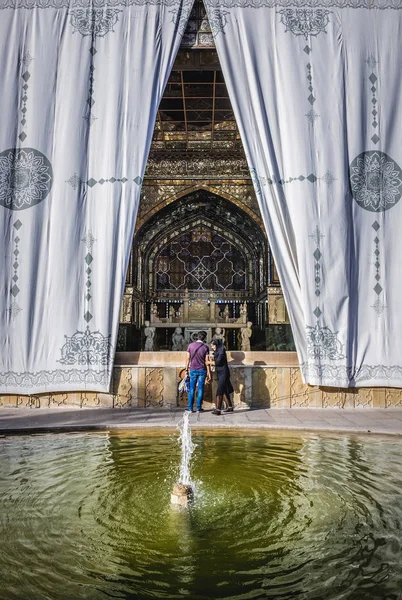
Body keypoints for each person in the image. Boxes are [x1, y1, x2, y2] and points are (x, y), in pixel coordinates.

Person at [185, 331, 211, 413]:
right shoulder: (205, 347)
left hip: (193, 369)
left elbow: (188, 358)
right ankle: (198, 408)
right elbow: (207, 361)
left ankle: (190, 408)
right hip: (202, 370)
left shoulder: (190, 346)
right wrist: (209, 372)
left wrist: (186, 369)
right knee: (200, 389)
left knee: (192, 388)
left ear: (197, 337)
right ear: (204, 338)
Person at [209, 338, 234, 415]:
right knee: (224, 390)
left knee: (220, 390)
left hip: (223, 372)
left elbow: (219, 361)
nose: (212, 347)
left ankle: (218, 409)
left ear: (216, 345)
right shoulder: (217, 351)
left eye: (213, 346)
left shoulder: (221, 350)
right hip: (220, 372)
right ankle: (230, 406)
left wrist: (209, 362)